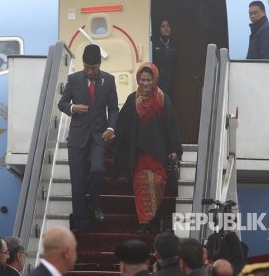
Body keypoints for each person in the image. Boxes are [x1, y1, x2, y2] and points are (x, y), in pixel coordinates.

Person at [113, 62, 182, 234]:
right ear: (138, 79)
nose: (145, 84)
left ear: (155, 80)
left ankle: (150, 217)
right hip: (138, 154)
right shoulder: (132, 99)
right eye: (142, 80)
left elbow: (171, 125)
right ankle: (144, 222)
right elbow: (122, 123)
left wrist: (173, 149)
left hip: (158, 153)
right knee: (141, 185)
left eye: (148, 80)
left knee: (158, 182)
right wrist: (113, 133)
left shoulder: (162, 99)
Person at [58, 44, 119, 233]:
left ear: (99, 65)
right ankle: (82, 223)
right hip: (77, 136)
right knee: (76, 182)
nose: (89, 71)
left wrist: (111, 127)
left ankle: (94, 203)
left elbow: (114, 108)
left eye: (93, 68)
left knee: (96, 169)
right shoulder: (73, 79)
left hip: (99, 135)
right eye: (86, 67)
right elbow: (62, 103)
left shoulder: (108, 80)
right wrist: (72, 108)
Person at [152, 18, 178, 102]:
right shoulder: (154, 44)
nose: (166, 28)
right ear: (159, 29)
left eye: (168, 26)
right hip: (158, 81)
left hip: (170, 82)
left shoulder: (174, 44)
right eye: (163, 26)